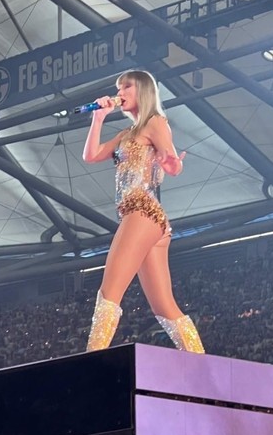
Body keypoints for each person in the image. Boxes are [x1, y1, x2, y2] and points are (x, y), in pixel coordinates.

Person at [82, 70, 205, 354]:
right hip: (148, 219)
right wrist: (98, 117)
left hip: (141, 210)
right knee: (164, 307)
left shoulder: (155, 122)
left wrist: (171, 164)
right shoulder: (128, 134)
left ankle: (90, 362)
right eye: (118, 87)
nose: (120, 91)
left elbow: (173, 162)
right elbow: (91, 155)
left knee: (109, 292)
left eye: (127, 86)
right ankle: (201, 366)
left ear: (144, 92)